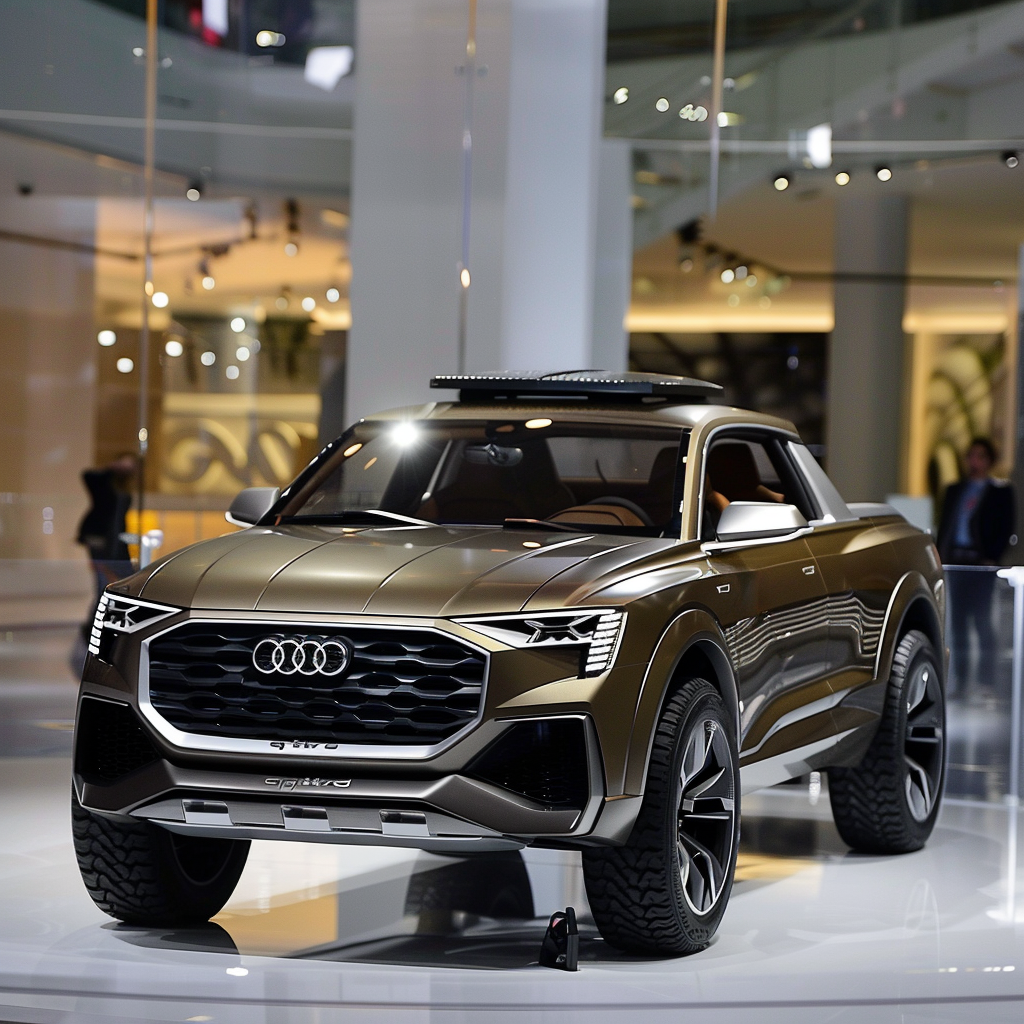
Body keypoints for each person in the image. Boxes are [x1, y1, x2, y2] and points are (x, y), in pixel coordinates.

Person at [936, 437, 1016, 697]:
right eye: (971, 455)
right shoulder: (955, 490)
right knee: (957, 623)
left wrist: (992, 556)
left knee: (982, 622)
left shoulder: (999, 492)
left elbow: (1006, 527)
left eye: (980, 456)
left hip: (981, 564)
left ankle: (985, 683)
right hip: (956, 561)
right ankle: (960, 681)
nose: (974, 461)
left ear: (989, 460)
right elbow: (946, 524)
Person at [73, 454, 138, 670]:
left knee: (122, 584)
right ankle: (93, 629)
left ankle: (105, 628)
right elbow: (87, 476)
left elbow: (120, 521)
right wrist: (111, 467)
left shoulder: (125, 486)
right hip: (99, 539)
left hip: (116, 544)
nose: (126, 467)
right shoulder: (104, 482)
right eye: (123, 462)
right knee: (103, 586)